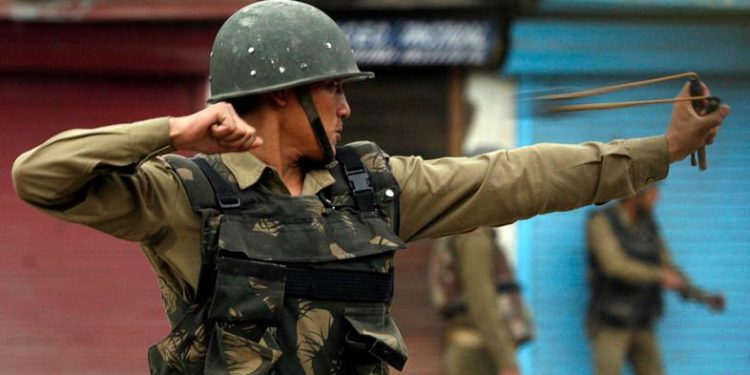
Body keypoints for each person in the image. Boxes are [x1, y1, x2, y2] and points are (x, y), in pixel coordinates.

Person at [11, 0, 729, 374]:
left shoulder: (370, 189)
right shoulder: (181, 193)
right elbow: (41, 177)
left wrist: (655, 151)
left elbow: (512, 178)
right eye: (332, 89)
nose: (347, 107)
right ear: (283, 95)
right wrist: (172, 131)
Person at [586, 185, 726, 375]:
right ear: (635, 195)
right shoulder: (602, 222)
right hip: (610, 320)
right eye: (653, 192)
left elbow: (669, 267)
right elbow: (614, 266)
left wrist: (703, 297)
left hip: (643, 318)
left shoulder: (648, 223)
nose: (658, 197)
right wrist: (658, 275)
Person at [429, 226, 533, 375]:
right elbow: (482, 302)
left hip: (475, 349)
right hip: (478, 353)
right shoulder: (473, 237)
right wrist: (506, 360)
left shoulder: (463, 230)